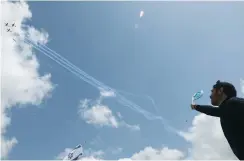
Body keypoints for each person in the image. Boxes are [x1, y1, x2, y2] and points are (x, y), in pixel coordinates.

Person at [191, 80, 244, 160]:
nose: (210, 96)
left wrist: (196, 107)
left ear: (220, 91)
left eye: (212, 91)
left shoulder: (233, 103)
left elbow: (214, 111)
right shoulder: (227, 111)